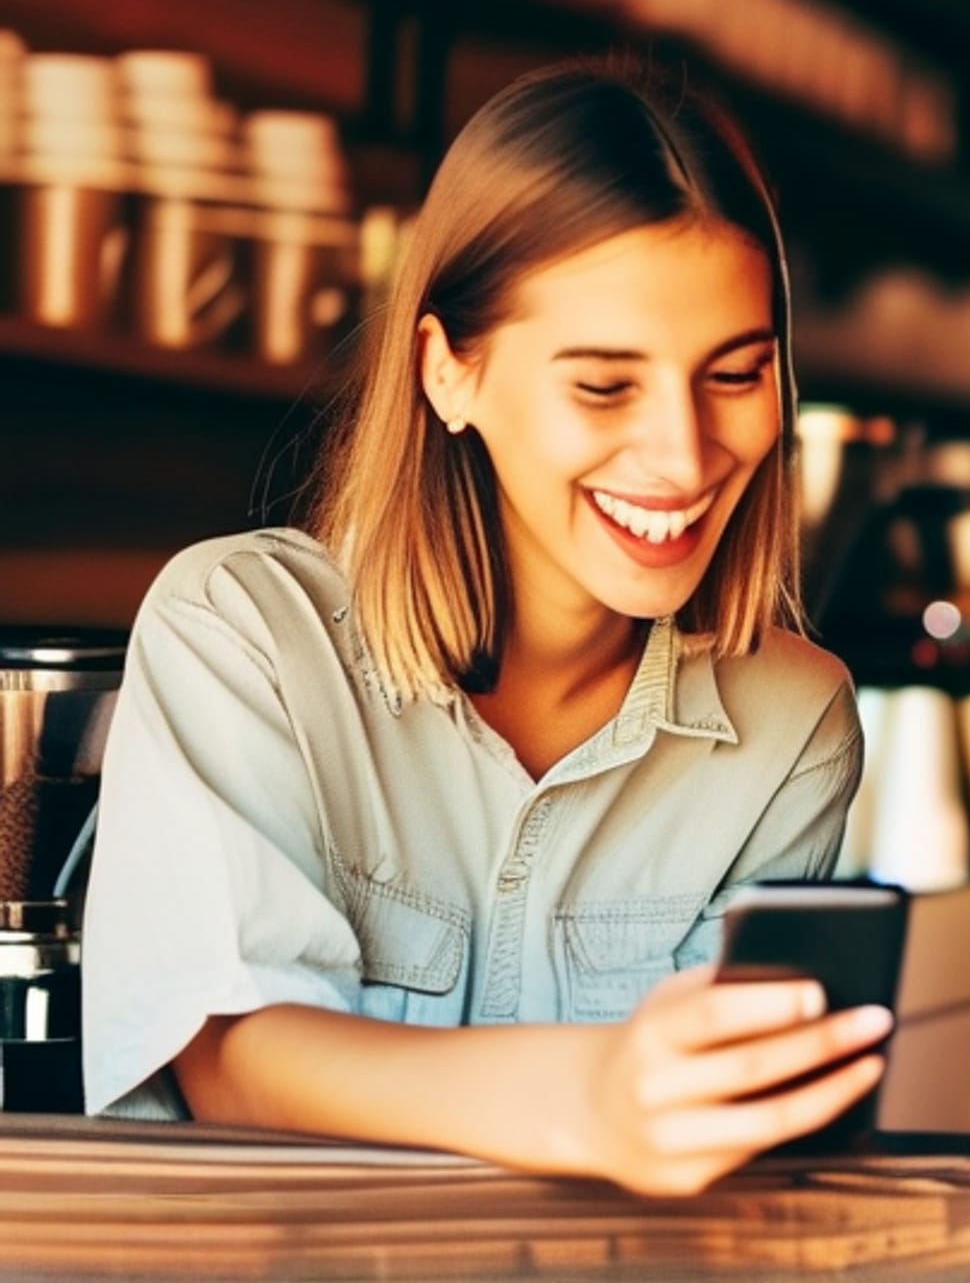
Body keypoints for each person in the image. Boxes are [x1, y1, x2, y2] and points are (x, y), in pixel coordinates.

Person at [81, 61, 891, 1197]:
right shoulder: (244, 633)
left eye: (737, 374)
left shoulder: (792, 722)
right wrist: (591, 1096)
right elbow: (236, 1060)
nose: (685, 454)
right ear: (448, 371)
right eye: (605, 387)